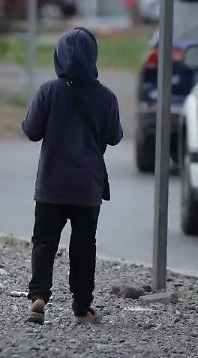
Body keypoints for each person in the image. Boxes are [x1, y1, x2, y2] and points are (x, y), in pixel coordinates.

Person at [20, 27, 123, 325]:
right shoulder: (106, 97)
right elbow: (115, 136)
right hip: (87, 187)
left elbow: (32, 131)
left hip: (51, 184)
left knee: (44, 241)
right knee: (83, 246)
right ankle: (81, 309)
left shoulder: (49, 91)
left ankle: (38, 297)